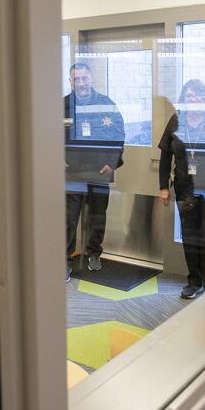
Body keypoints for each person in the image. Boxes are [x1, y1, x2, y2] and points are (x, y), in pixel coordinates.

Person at [64, 62, 125, 280]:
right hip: (71, 174)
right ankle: (65, 260)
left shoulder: (106, 104)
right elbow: (47, 134)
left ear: (91, 79)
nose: (81, 82)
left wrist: (112, 162)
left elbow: (119, 134)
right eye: (76, 79)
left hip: (100, 171)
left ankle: (94, 253)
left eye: (84, 78)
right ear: (70, 81)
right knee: (69, 219)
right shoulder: (61, 106)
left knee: (97, 216)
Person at [158, 79, 205, 299]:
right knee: (190, 236)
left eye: (198, 95)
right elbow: (164, 157)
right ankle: (195, 280)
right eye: (189, 96)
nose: (194, 99)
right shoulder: (176, 121)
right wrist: (163, 187)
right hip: (185, 189)